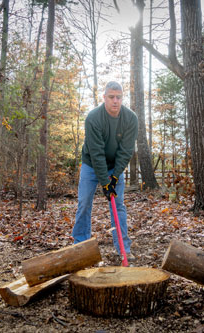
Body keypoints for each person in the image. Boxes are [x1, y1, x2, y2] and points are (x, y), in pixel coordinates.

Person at [72, 81, 138, 260]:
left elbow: (126, 152)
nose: (115, 101)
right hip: (91, 165)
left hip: (115, 166)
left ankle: (123, 248)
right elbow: (97, 154)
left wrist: (114, 178)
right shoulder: (94, 118)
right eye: (111, 97)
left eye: (119, 97)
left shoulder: (130, 118)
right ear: (104, 98)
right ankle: (80, 245)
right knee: (84, 202)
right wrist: (105, 183)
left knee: (118, 206)